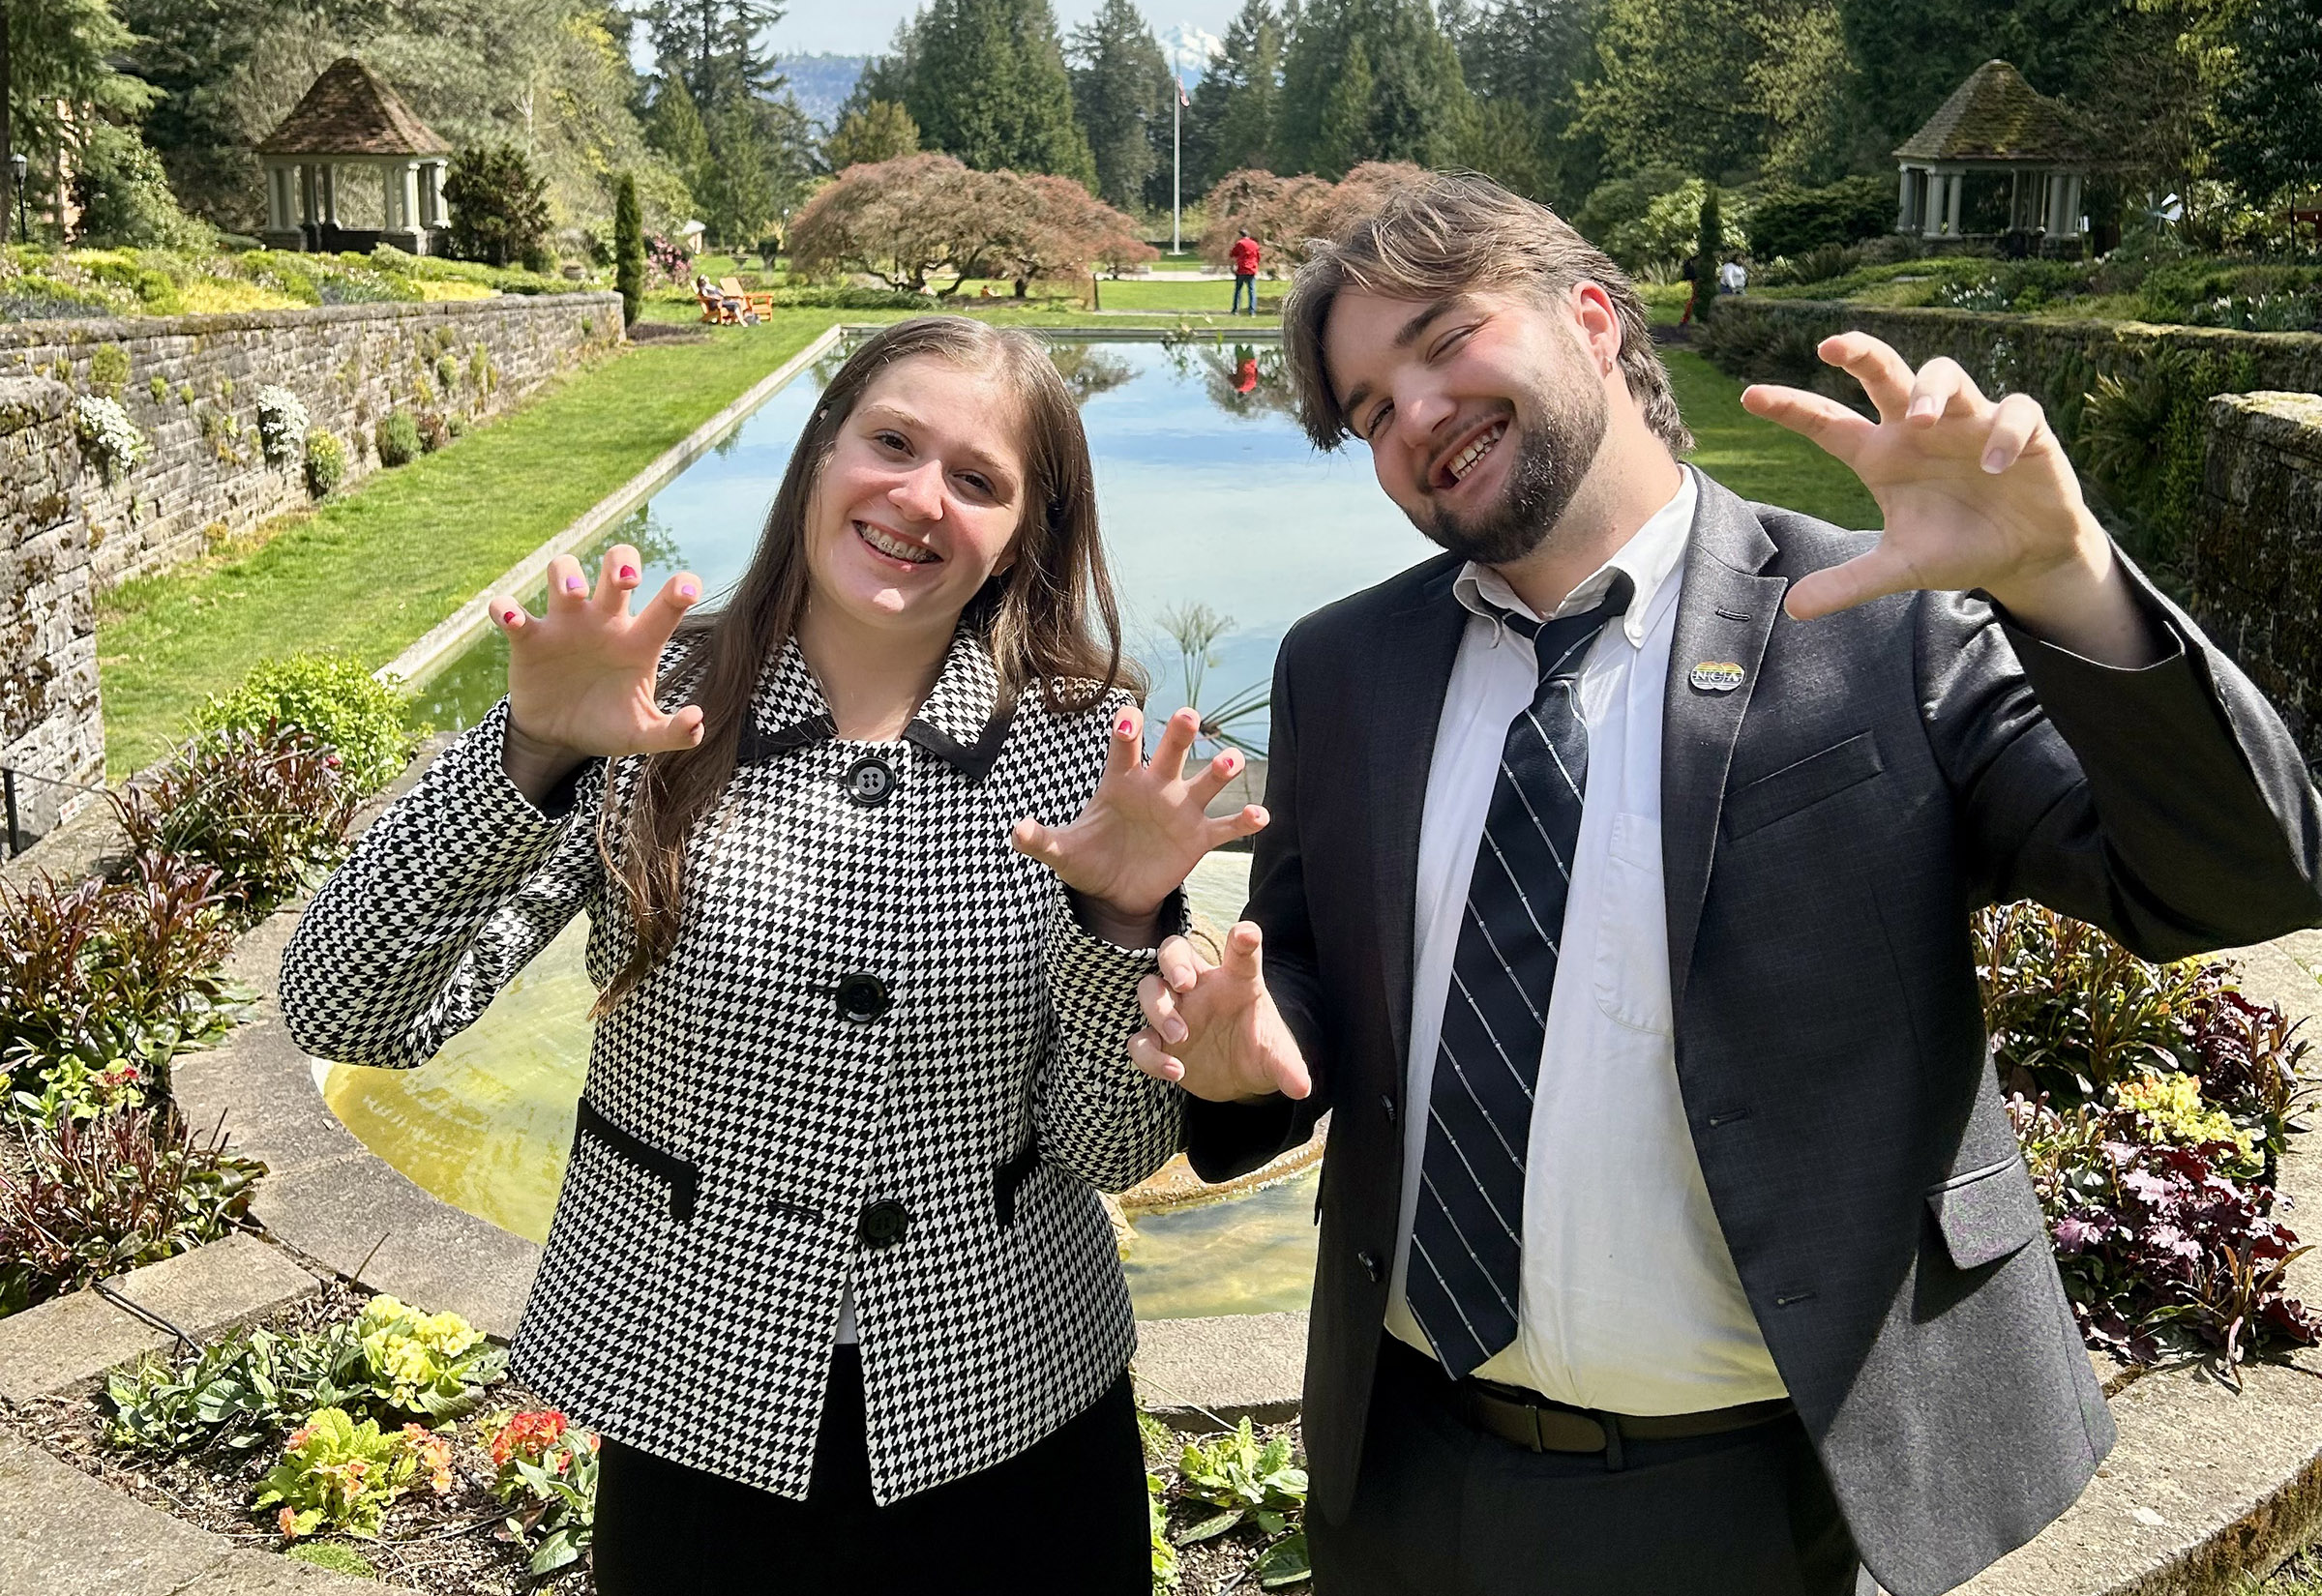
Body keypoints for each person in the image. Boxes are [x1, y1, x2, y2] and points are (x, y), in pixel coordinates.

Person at [1129, 173, 2322, 1596]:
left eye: (1446, 341)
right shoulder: (1345, 665)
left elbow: (2235, 877)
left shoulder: (1887, 614)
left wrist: (2067, 581)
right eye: (1373, 409)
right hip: (1405, 1469)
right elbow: (1317, 975)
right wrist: (1263, 1052)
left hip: (1752, 1498)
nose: (1418, 417)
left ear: (1589, 318)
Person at [279, 317, 1265, 1593]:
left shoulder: (1087, 750)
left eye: (977, 479)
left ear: (1025, 531)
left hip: (1012, 1401)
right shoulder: (641, 696)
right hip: (696, 1396)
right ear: (820, 446)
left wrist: (1123, 927)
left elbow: (1110, 1149)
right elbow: (346, 1007)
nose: (917, 498)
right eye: (892, 442)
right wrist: (524, 752)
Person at [1231, 227, 1262, 315]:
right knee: (1252, 291)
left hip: (1242, 269)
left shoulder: (1240, 243)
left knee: (1238, 290)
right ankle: (1252, 311)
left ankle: (1235, 310)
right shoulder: (1254, 244)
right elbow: (1258, 257)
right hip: (1251, 269)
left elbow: (1232, 254)